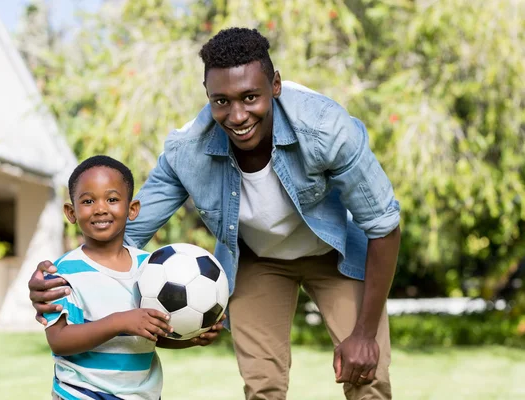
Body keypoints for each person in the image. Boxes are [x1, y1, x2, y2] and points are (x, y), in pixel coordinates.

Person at [30, 28, 400, 400]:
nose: (237, 115)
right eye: (221, 101)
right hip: (258, 260)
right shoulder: (188, 150)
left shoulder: (325, 129)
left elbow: (383, 225)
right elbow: (123, 233)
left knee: (367, 376)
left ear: (275, 85)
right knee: (262, 385)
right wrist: (62, 278)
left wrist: (365, 334)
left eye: (250, 97)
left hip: (333, 254)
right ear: (208, 96)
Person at [42, 155, 222, 400]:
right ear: (71, 212)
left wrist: (192, 338)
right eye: (88, 201)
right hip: (81, 394)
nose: (101, 208)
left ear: (132, 209)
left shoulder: (151, 267)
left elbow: (150, 336)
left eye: (112, 199)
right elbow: (60, 341)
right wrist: (119, 322)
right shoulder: (63, 273)